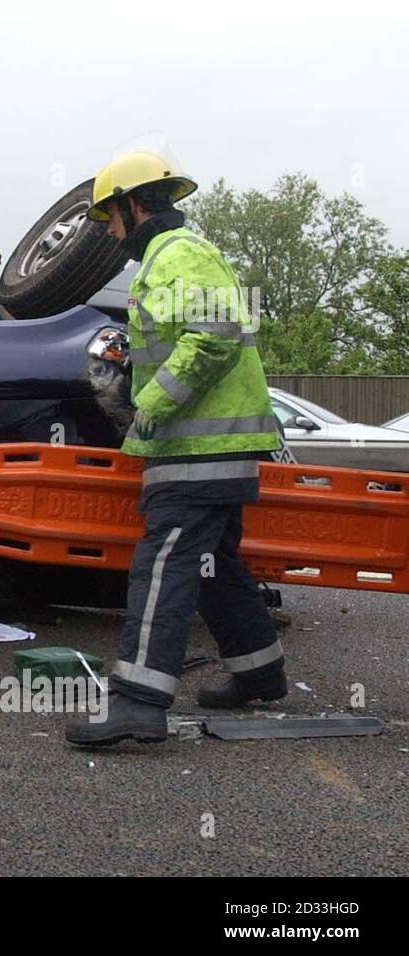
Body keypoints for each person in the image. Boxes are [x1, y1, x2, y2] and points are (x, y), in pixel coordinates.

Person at [65, 151, 285, 746]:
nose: (110, 233)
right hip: (209, 448)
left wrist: (148, 406)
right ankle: (258, 672)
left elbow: (213, 335)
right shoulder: (170, 259)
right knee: (214, 564)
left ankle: (138, 701)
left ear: (134, 205)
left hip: (197, 450)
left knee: (162, 565)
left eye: (109, 218)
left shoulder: (177, 254)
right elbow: (192, 338)